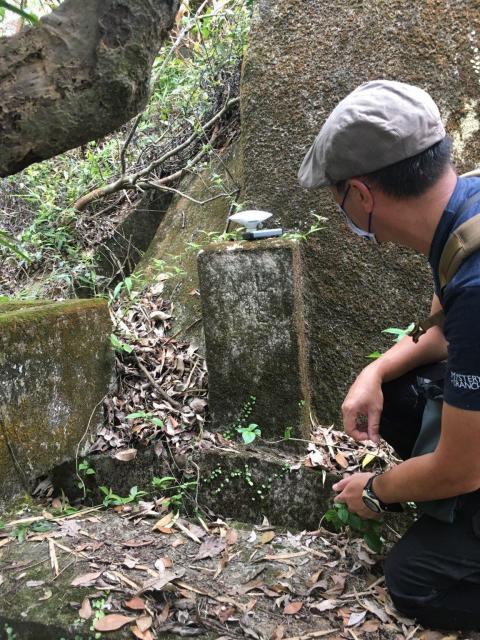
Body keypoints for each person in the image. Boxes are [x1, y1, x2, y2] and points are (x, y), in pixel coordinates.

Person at [298, 79, 480, 631]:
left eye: (337, 200)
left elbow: (464, 465)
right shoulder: (464, 209)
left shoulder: (476, 282)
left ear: (361, 194)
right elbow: (443, 337)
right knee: (402, 393)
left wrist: (374, 491)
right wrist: (373, 371)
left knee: (415, 581)